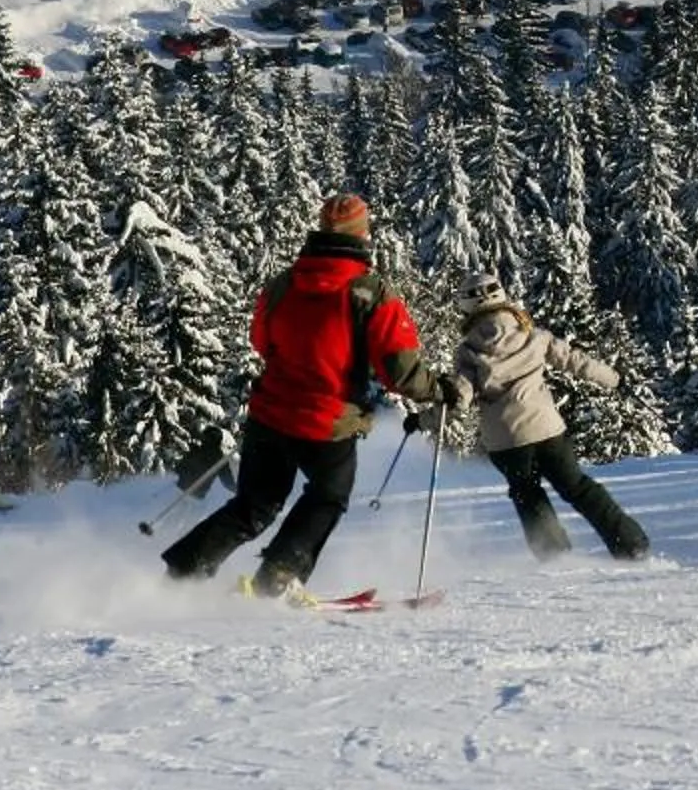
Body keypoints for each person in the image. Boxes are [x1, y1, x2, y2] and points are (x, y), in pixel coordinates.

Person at [160, 192, 461, 599]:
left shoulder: (284, 283)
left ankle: (182, 573)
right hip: (327, 421)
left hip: (270, 414)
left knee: (253, 507)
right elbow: (400, 369)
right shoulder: (371, 293)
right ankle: (278, 577)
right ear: (363, 234)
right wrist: (437, 388)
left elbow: (261, 340)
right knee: (327, 497)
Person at [453, 283, 649, 562]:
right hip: (546, 429)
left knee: (527, 495)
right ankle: (630, 544)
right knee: (577, 487)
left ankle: (555, 556)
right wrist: (615, 380)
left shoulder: (468, 352)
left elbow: (459, 395)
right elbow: (575, 361)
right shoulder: (533, 336)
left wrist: (426, 416)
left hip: (506, 441)